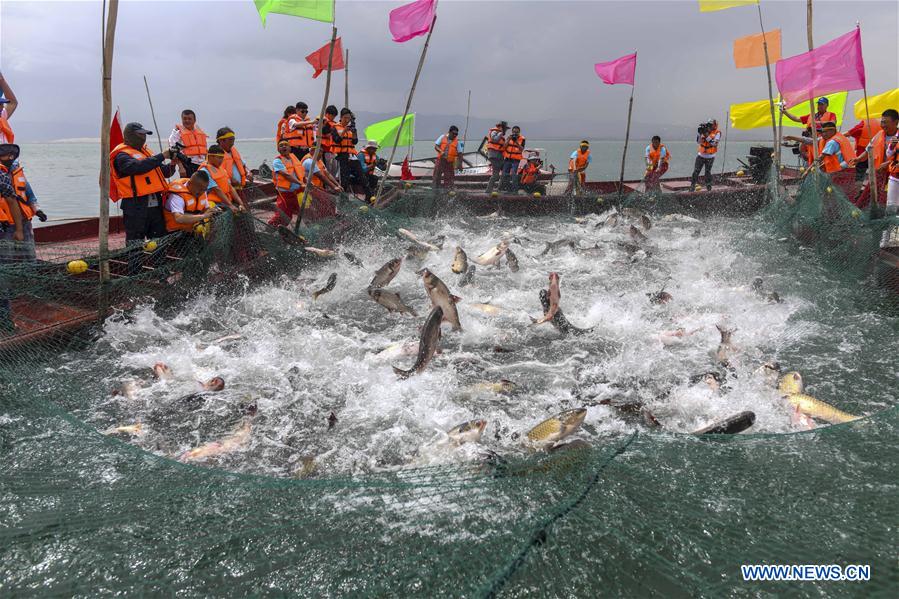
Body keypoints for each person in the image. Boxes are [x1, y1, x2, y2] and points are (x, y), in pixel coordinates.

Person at [110, 123, 177, 245]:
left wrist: (173, 163)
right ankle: (135, 265)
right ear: (130, 135)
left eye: (145, 134)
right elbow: (136, 167)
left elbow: (165, 172)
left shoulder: (147, 153)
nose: (143, 137)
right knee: (135, 244)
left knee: (159, 241)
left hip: (155, 205)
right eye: (140, 134)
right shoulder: (121, 155)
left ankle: (160, 263)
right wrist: (162, 156)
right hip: (135, 206)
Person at [0, 146, 46, 261]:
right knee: (7, 257)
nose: (8, 158)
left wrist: (38, 210)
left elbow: (30, 196)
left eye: (11, 156)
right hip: (5, 225)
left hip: (24, 221)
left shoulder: (18, 173)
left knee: (29, 255)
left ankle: (30, 274)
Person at [850, 109, 899, 211]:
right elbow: (868, 150)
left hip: (894, 175)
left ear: (896, 122)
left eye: (886, 122)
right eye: (882, 121)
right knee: (866, 195)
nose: (883, 125)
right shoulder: (879, 134)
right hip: (878, 173)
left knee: (891, 201)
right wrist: (858, 159)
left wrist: (888, 163)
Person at [0, 143, 25, 332]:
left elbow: (12, 200)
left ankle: (5, 320)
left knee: (3, 275)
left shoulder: (1, 175)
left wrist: (19, 230)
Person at [784, 122, 856, 175]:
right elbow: (809, 141)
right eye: (822, 132)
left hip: (843, 170)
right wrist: (791, 137)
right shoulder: (835, 136)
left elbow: (820, 158)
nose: (823, 134)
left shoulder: (832, 142)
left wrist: (807, 171)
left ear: (832, 131)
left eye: (825, 132)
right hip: (849, 168)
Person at [268, 140, 306, 227]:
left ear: (290, 148)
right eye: (281, 146)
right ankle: (270, 228)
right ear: (278, 149)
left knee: (304, 210)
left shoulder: (294, 158)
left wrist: (306, 182)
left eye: (286, 145)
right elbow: (286, 175)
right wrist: (300, 183)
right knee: (284, 216)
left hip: (298, 191)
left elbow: (301, 173)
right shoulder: (277, 161)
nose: (284, 147)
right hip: (285, 193)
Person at [332, 108, 369, 197]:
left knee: (362, 176)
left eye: (348, 118)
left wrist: (354, 132)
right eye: (345, 118)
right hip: (342, 156)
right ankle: (344, 200)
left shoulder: (351, 128)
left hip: (352, 155)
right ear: (341, 117)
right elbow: (337, 140)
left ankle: (369, 196)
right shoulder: (335, 127)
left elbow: (355, 142)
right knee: (344, 180)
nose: (347, 120)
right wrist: (344, 131)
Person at [198, 145, 245, 211]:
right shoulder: (204, 171)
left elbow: (230, 187)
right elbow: (217, 189)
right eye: (219, 157)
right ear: (210, 156)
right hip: (212, 202)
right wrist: (230, 205)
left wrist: (241, 203)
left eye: (222, 158)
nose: (221, 160)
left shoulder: (222, 170)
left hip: (225, 201)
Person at [169, 109, 207, 177]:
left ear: (194, 120)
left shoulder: (199, 131)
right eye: (184, 119)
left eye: (189, 119)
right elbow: (173, 151)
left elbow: (205, 150)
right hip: (188, 165)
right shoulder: (177, 132)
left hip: (202, 165)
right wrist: (181, 167)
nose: (187, 121)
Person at [691, 119, 720, 192]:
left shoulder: (717, 133)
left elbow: (714, 144)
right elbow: (698, 142)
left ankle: (708, 188)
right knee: (696, 171)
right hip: (701, 155)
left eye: (711, 125)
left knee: (707, 172)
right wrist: (699, 133)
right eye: (708, 125)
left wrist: (707, 135)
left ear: (714, 125)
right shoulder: (703, 132)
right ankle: (692, 187)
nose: (709, 127)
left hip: (710, 157)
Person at [499, 125, 525, 192]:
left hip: (515, 160)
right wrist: (508, 140)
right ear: (512, 132)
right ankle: (508, 189)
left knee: (513, 174)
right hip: (507, 159)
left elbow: (522, 149)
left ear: (519, 132)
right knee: (505, 174)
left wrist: (516, 142)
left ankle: (515, 190)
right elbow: (504, 147)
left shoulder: (522, 139)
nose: (515, 133)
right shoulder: (509, 138)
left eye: (516, 132)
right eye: (514, 132)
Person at [485, 121, 508, 193]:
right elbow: (494, 139)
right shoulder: (494, 132)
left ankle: (499, 189)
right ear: (501, 127)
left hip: (500, 156)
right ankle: (488, 191)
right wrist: (501, 132)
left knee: (505, 172)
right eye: (505, 129)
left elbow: (503, 147)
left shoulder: (501, 136)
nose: (506, 131)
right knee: (496, 175)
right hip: (494, 156)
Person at [317, 105, 340, 176]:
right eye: (332, 115)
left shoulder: (333, 123)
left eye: (334, 116)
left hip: (331, 149)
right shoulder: (323, 121)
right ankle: (326, 184)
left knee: (334, 168)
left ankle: (331, 183)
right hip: (323, 149)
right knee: (326, 168)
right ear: (327, 114)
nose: (333, 118)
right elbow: (326, 133)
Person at [0, 71, 19, 144]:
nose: (2, 107)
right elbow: (12, 103)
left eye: (2, 104)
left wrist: (1, 80)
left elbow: (12, 103)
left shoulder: (2, 115)